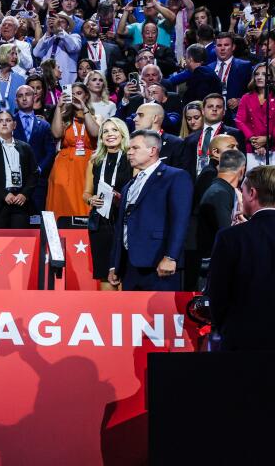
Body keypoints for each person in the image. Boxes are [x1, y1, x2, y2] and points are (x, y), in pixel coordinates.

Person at [108, 130, 192, 291]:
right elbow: (122, 225)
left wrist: (171, 257)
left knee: (161, 315)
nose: (129, 152)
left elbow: (180, 221)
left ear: (152, 151)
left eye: (135, 148)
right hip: (129, 266)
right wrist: (115, 264)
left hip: (159, 264)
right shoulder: (129, 185)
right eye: (129, 149)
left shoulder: (175, 177)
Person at [207, 163, 275, 350]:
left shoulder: (231, 237)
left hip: (243, 339)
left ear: (252, 193)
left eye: (242, 191)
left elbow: (217, 294)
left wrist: (227, 328)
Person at [83, 117, 132, 289]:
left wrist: (121, 198)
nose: (110, 134)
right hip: (100, 223)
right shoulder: (94, 160)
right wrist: (91, 199)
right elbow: (86, 192)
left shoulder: (131, 158)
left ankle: (125, 314)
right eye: (105, 131)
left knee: (123, 272)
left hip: (123, 222)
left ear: (122, 133)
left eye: (114, 130)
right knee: (104, 274)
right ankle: (109, 313)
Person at [47, 83, 101, 220]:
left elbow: (95, 133)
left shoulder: (96, 117)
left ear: (86, 95)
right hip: (65, 167)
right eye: (72, 94)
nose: (75, 97)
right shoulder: (64, 117)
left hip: (87, 165)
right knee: (63, 204)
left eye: (79, 93)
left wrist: (84, 109)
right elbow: (56, 133)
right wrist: (59, 108)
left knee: (84, 202)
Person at [0, 110, 38, 229]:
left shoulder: (25, 148)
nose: (4, 124)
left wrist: (24, 194)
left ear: (14, 125)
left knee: (20, 245)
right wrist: (4, 194)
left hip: (20, 204)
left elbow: (34, 173)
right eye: (0, 121)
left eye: (8, 120)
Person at [197, 149, 246, 283]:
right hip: (214, 271)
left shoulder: (221, 190)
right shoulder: (219, 193)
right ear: (242, 170)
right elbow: (227, 234)